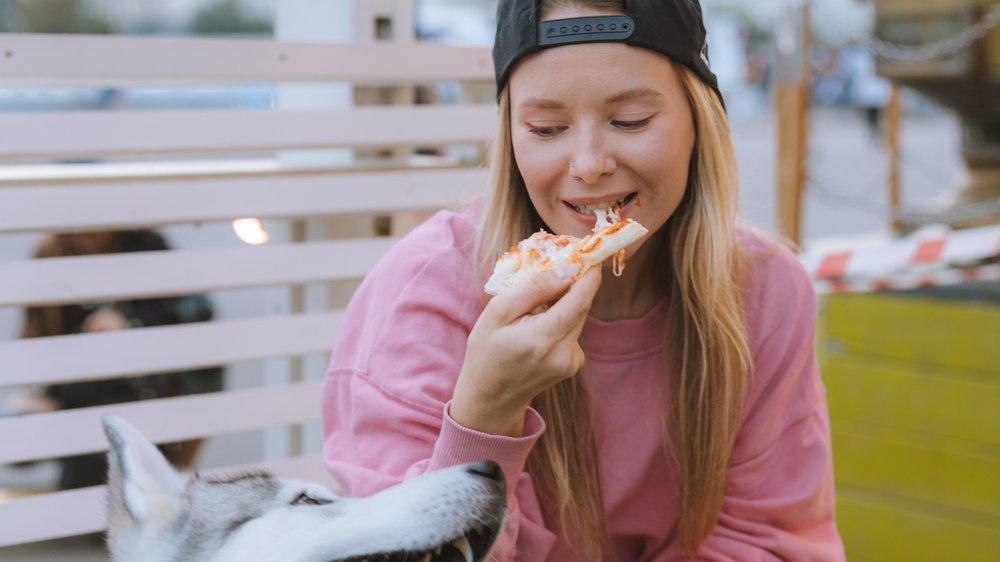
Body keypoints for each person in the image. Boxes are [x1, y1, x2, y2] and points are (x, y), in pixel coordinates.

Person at [322, 0, 845, 559]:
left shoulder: (766, 291)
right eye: (547, 128)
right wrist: (485, 412)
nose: (589, 163)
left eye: (631, 121)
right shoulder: (423, 295)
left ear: (699, 121)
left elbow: (767, 540)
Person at [14, 229, 224, 490]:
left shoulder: (147, 248)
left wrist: (130, 329)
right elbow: (40, 344)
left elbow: (191, 339)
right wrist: (45, 398)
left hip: (141, 410)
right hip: (79, 417)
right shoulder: (49, 256)